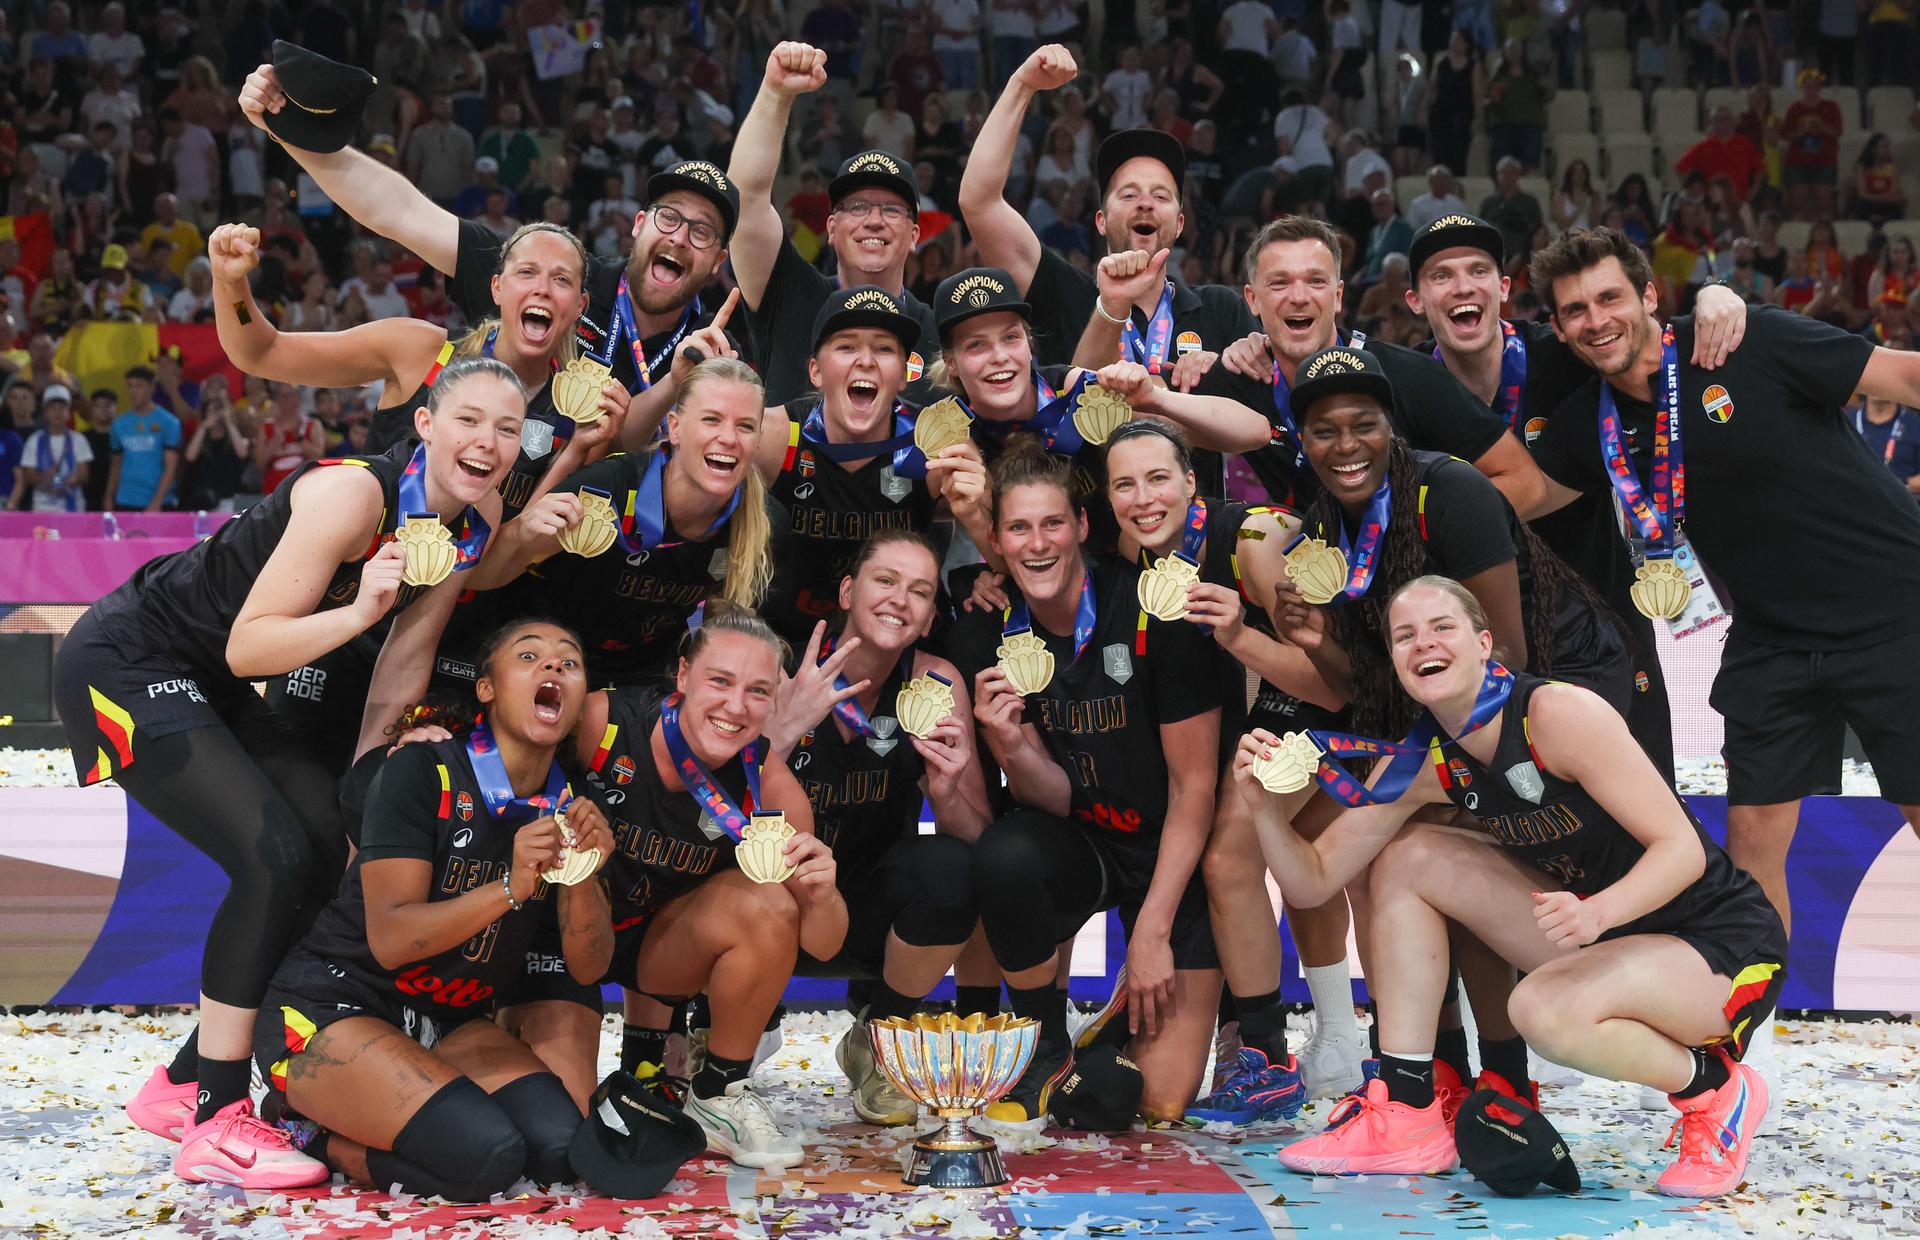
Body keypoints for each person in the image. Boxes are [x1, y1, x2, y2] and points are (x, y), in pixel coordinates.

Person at [58, 354, 525, 1187]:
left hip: (214, 683)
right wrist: (358, 610)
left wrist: (367, 794)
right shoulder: (355, 494)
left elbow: (398, 674)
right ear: (424, 424)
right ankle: (219, 1122)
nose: (486, 441)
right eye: (467, 419)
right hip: (128, 659)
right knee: (271, 858)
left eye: (506, 427)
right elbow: (250, 644)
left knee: (324, 847)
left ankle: (180, 1081)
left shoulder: (467, 528)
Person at [1521, 226, 1920, 1087]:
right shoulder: (1594, 424)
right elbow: (1517, 491)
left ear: (1649, 296)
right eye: (1574, 311)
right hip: (1775, 639)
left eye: (1609, 298)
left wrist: (1727, 293)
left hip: (1898, 612)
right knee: (1749, 845)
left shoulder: (1749, 339)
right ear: (1558, 328)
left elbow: (1906, 377)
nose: (1596, 321)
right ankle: (1752, 1048)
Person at [1243, 575, 1786, 1199]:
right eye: (1405, 635)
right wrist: (1262, 809)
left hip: (1714, 943)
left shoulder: (1558, 713)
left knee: (1540, 1009)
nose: (1424, 643)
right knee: (1404, 856)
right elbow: (1312, 882)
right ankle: (1407, 1111)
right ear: (1394, 661)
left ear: (1484, 644)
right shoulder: (1426, 758)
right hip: (1604, 936)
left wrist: (1601, 912)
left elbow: (1682, 851)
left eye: (1442, 627)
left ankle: (1717, 1092)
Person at [251, 620, 612, 1199]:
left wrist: (586, 876)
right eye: (529, 656)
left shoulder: (573, 801)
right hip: (338, 1003)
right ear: (488, 689)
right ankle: (300, 1126)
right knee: (484, 1157)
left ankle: (404, 1103)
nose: (553, 669)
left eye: (568, 663)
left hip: (447, 1021)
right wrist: (512, 887)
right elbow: (391, 938)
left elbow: (589, 967)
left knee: (558, 1153)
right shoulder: (424, 769)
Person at [1404, 213, 1754, 780]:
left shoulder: (1567, 354)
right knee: (1515, 831)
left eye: (1478, 270)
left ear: (1504, 289)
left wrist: (1715, 296)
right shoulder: (1406, 387)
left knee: (1646, 809)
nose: (1462, 286)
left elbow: (1648, 339)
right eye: (1441, 276)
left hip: (1605, 623)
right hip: (1480, 644)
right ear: (1416, 300)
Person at [239, 65, 738, 460]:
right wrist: (290, 131)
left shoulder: (716, 350)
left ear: (718, 260)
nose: (678, 238)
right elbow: (401, 212)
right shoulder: (555, 274)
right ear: (637, 224)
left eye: (702, 232)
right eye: (668, 217)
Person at [950, 440, 1225, 1127]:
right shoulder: (992, 632)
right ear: (995, 540)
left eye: (1051, 524)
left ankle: (1108, 1030)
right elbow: (1058, 798)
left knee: (1154, 1100)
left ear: (1080, 523)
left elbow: (1195, 789)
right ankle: (1044, 1040)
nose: (1037, 544)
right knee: (1005, 854)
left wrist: (1151, 933)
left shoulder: (1153, 610)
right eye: (1018, 528)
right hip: (1086, 844)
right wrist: (1007, 742)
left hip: (1170, 852)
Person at [1096, 419, 1364, 1118]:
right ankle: (1319, 1039)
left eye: (1159, 478)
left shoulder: (1254, 544)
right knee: (1285, 856)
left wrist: (1240, 633)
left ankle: (1267, 1053)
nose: (1143, 498)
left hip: (1349, 706)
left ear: (1193, 481)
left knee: (1229, 854)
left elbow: (1335, 684)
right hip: (1266, 707)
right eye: (1125, 484)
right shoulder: (1133, 545)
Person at [571, 608, 845, 1166]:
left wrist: (822, 892)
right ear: (682, 678)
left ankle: (719, 1094)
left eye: (758, 691)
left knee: (769, 905)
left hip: (661, 952)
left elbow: (823, 944)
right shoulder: (602, 723)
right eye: (719, 681)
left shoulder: (770, 783)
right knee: (558, 1131)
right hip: (561, 941)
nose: (736, 706)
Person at [771, 533, 992, 1124]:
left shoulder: (937, 683)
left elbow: (975, 839)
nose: (901, 599)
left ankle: (880, 1033)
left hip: (863, 902)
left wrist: (946, 793)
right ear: (847, 592)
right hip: (767, 895)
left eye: (920, 591)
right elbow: (710, 803)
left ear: (926, 621)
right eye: (885, 580)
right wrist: (780, 734)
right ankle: (713, 1037)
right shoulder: (778, 667)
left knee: (955, 868)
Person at [470, 358, 782, 689]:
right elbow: (485, 576)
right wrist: (521, 530)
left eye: (745, 426)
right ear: (674, 427)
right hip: (548, 667)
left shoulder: (764, 525)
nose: (729, 438)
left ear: (759, 439)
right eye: (711, 420)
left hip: (643, 684)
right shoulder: (606, 489)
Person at [1202, 216, 1542, 517]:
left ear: (1337, 297)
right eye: (1279, 283)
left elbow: (1524, 482)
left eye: (1316, 281)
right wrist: (1188, 364)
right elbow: (1153, 404)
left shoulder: (1407, 375)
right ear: (1252, 300)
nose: (1299, 296)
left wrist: (1423, 542)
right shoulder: (1240, 376)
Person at [961, 46, 1259, 373]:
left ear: (1179, 223)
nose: (1145, 202)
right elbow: (979, 202)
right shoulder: (1064, 292)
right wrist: (1022, 85)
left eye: (1161, 197)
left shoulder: (1221, 308)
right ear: (1100, 221)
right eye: (1129, 194)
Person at [931, 266, 1269, 553]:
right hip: (1046, 592)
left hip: (1144, 566)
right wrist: (976, 520)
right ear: (952, 363)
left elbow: (1253, 433)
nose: (999, 356)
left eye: (1010, 338)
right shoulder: (949, 436)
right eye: (976, 345)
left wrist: (1156, 399)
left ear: (1029, 343)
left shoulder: (1079, 391)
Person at [728, 43, 943, 404]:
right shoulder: (791, 293)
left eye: (892, 210)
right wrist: (775, 93)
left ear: (914, 235)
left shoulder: (941, 332)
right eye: (857, 207)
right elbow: (743, 202)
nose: (874, 221)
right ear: (830, 229)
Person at [106, 366, 181, 511]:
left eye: (139, 385)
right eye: (130, 386)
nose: (133, 391)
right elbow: (116, 462)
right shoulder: (119, 424)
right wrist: (109, 495)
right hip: (126, 500)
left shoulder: (169, 422)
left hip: (159, 502)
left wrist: (157, 501)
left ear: (152, 387)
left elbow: (171, 466)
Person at [9, 384, 90, 512]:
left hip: (73, 507)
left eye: (62, 407)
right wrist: (44, 477)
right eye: (52, 408)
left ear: (69, 412)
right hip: (43, 508)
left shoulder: (78, 439)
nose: (58, 412)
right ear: (45, 412)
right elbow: (28, 477)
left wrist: (75, 478)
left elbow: (85, 475)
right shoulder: (34, 440)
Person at [1850, 393, 1920, 496]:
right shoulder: (1845, 420)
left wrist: (1901, 487)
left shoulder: (1915, 425)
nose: (1876, 387)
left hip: (1900, 503)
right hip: (1852, 501)